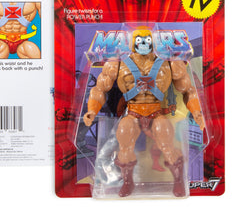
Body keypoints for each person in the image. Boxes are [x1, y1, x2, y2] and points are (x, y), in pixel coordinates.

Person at [83, 28, 204, 197]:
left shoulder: (169, 62)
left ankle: (178, 180)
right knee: (124, 141)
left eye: (147, 40)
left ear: (153, 42)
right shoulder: (117, 63)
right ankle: (127, 182)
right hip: (133, 111)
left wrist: (197, 112)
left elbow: (188, 90)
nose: (144, 44)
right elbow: (99, 89)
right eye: (139, 40)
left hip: (156, 111)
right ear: (133, 43)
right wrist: (92, 110)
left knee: (167, 145)